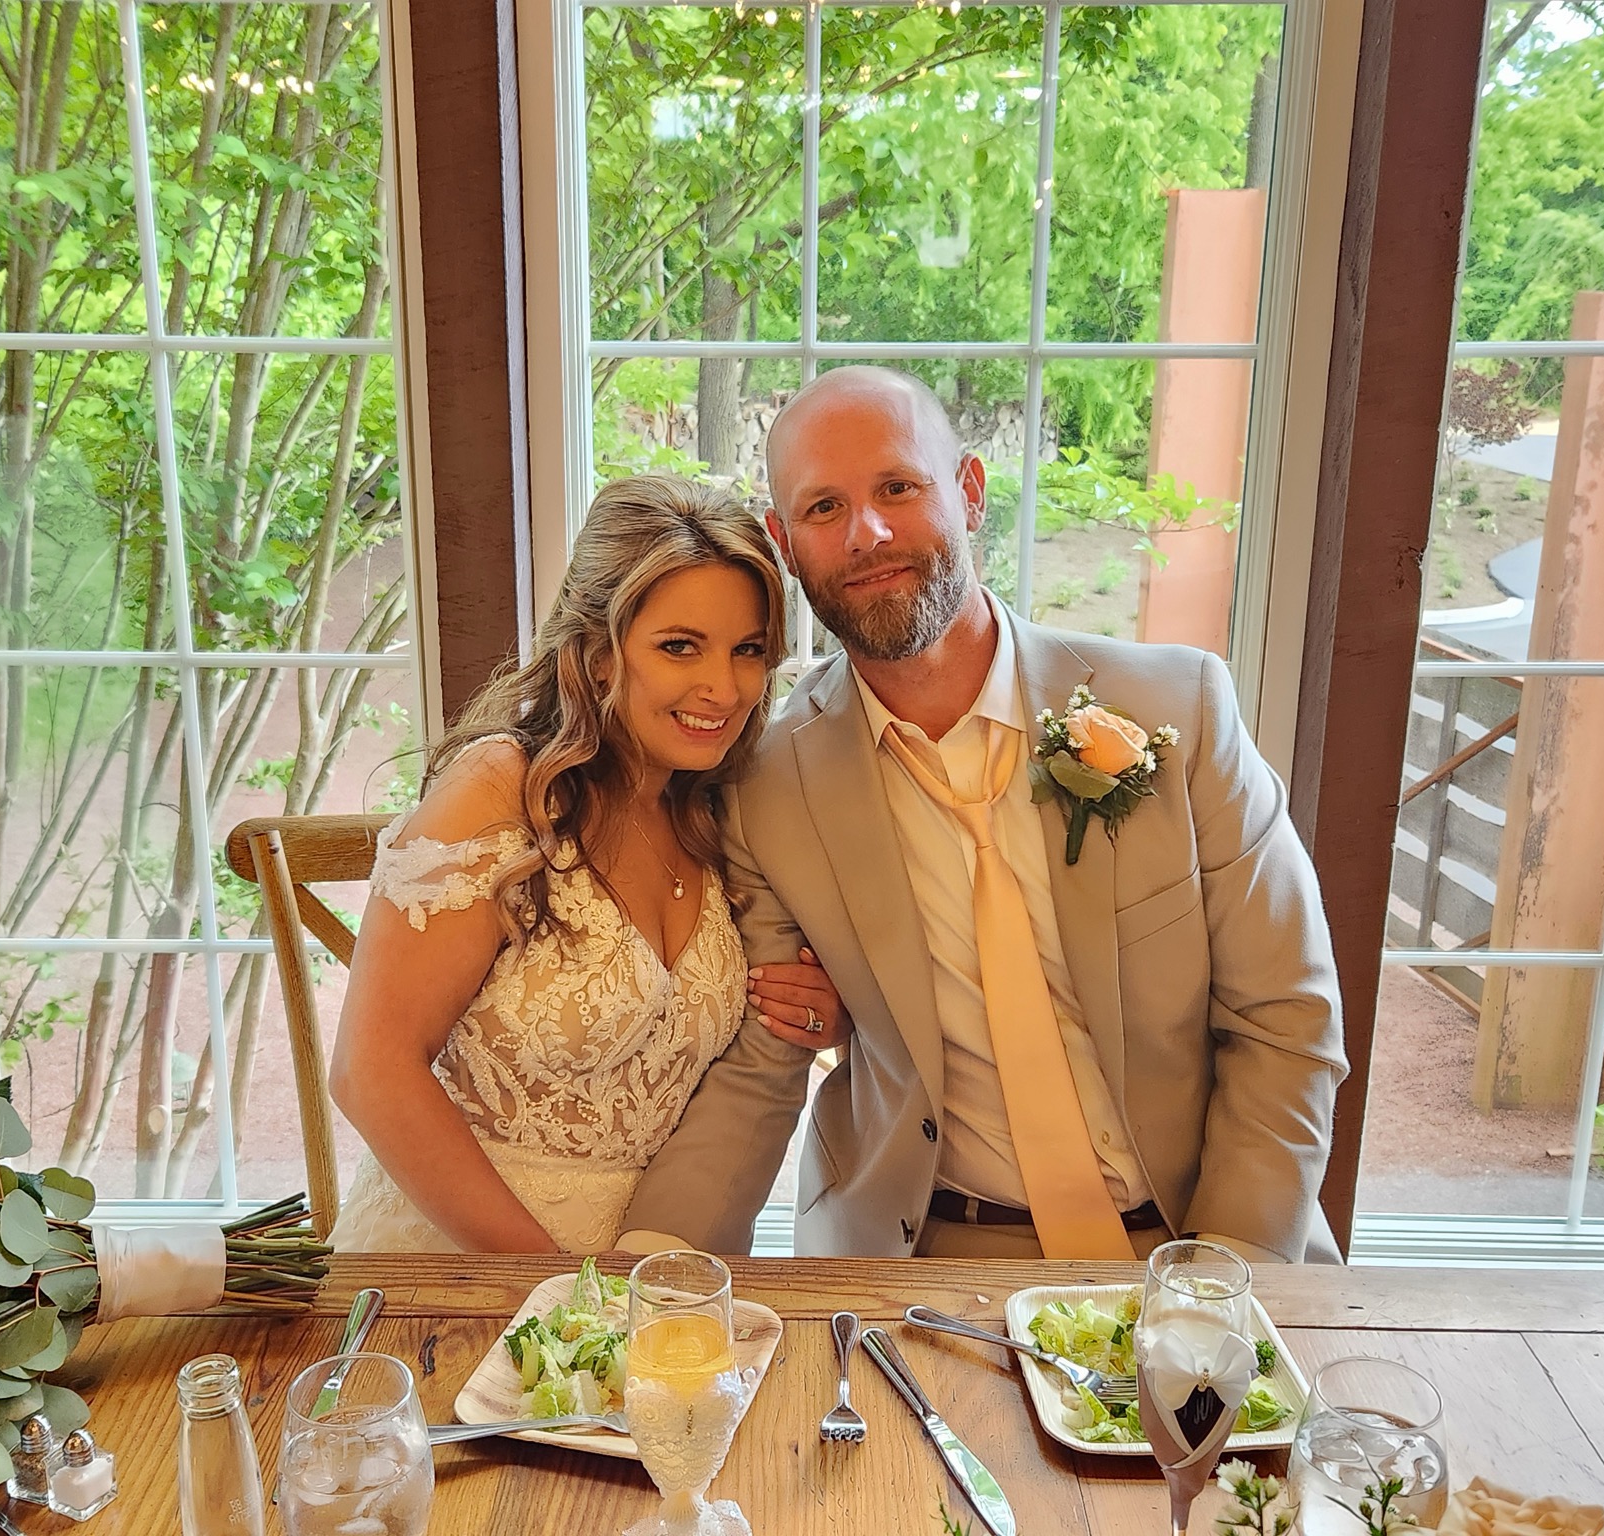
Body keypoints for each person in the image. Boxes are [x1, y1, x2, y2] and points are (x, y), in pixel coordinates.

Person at [617, 366, 1348, 1263]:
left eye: (898, 487)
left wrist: (1217, 1284)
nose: (867, 533)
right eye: (824, 508)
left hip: (1192, 1237)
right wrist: (639, 1272)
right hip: (926, 1253)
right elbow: (768, 1057)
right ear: (785, 543)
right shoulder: (765, 785)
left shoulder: (1180, 709)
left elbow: (1286, 1020)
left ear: (969, 493)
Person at [329, 475, 850, 1252]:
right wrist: (557, 1290)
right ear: (600, 654)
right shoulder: (500, 791)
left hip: (653, 1266)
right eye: (679, 647)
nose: (724, 688)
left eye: (747, 650)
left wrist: (822, 1013)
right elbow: (371, 1070)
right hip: (461, 1264)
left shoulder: (718, 816)